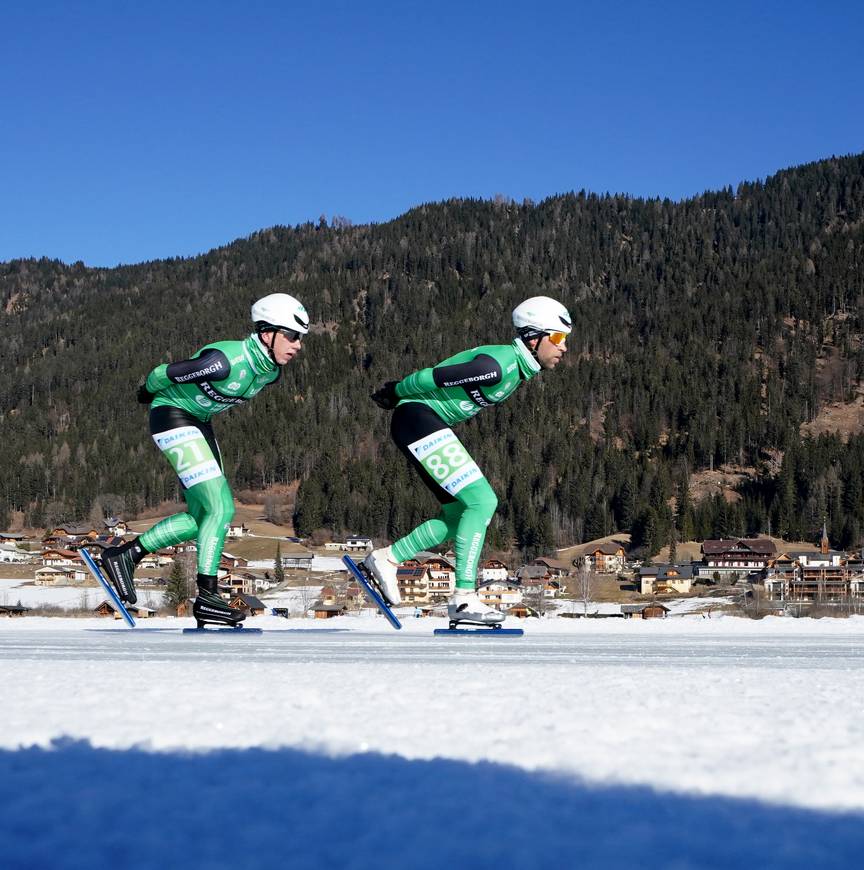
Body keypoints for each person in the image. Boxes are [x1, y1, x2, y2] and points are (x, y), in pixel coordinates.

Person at [100, 293, 308, 628]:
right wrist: (146, 390)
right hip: (171, 414)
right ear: (267, 333)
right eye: (292, 335)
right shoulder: (225, 361)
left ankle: (127, 555)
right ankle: (208, 597)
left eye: (301, 338)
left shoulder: (271, 373)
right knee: (222, 508)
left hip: (200, 423)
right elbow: (164, 372)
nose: (298, 345)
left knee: (203, 518)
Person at [367, 296, 571, 626]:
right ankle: (463, 599)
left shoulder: (516, 370)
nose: (563, 348)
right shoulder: (497, 365)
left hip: (420, 421)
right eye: (559, 338)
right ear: (534, 337)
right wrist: (397, 390)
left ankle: (389, 558)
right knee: (482, 501)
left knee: (459, 515)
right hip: (417, 416)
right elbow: (435, 377)